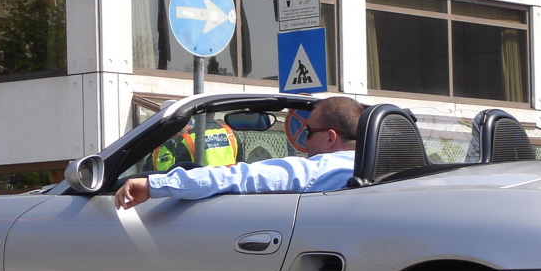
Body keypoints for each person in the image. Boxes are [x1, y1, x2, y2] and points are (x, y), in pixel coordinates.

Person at [116, 96, 364, 209]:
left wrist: (153, 185)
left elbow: (239, 176)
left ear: (330, 137)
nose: (304, 143)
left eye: (308, 132)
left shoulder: (316, 170)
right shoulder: (390, 170)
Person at [152, 113, 238, 170]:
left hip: (204, 188)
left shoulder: (186, 138)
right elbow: (240, 161)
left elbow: (182, 170)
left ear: (193, 116)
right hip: (230, 185)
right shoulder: (230, 132)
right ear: (213, 114)